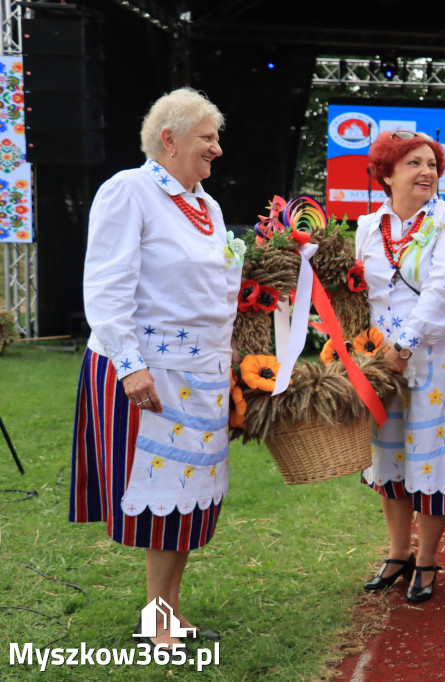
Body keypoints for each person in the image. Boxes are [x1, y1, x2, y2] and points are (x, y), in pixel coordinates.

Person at [70, 88, 236, 648]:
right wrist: (128, 364)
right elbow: (107, 285)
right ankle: (158, 622)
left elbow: (214, 290)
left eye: (216, 136)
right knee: (164, 497)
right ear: (169, 139)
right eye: (206, 137)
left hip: (203, 376)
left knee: (187, 500)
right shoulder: (130, 190)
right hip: (153, 373)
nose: (216, 147)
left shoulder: (207, 206)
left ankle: (166, 613)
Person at [355, 129, 445, 603]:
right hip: (381, 364)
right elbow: (359, 295)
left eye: (431, 164)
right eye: (413, 164)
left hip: (433, 357)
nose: (426, 172)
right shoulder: (365, 226)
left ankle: (427, 559)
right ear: (386, 173)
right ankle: (398, 554)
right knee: (391, 458)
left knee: (432, 460)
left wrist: (402, 347)